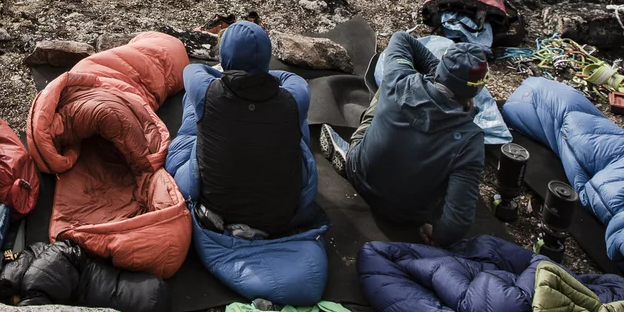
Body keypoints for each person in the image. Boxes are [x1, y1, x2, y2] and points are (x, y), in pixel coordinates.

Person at [166, 21, 317, 237]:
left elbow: (193, 69)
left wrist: (226, 77)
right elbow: (293, 78)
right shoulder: (294, 97)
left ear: (226, 57)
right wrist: (256, 79)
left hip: (217, 207)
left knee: (194, 105)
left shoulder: (206, 90)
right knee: (296, 121)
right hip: (279, 216)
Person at [343, 32, 486, 245]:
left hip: (358, 173)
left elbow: (400, 38)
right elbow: (458, 222)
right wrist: (439, 234)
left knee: (386, 89)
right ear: (476, 91)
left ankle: (355, 147)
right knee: (456, 168)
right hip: (407, 216)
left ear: (441, 69)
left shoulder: (400, 80)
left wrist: (439, 73)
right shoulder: (471, 140)